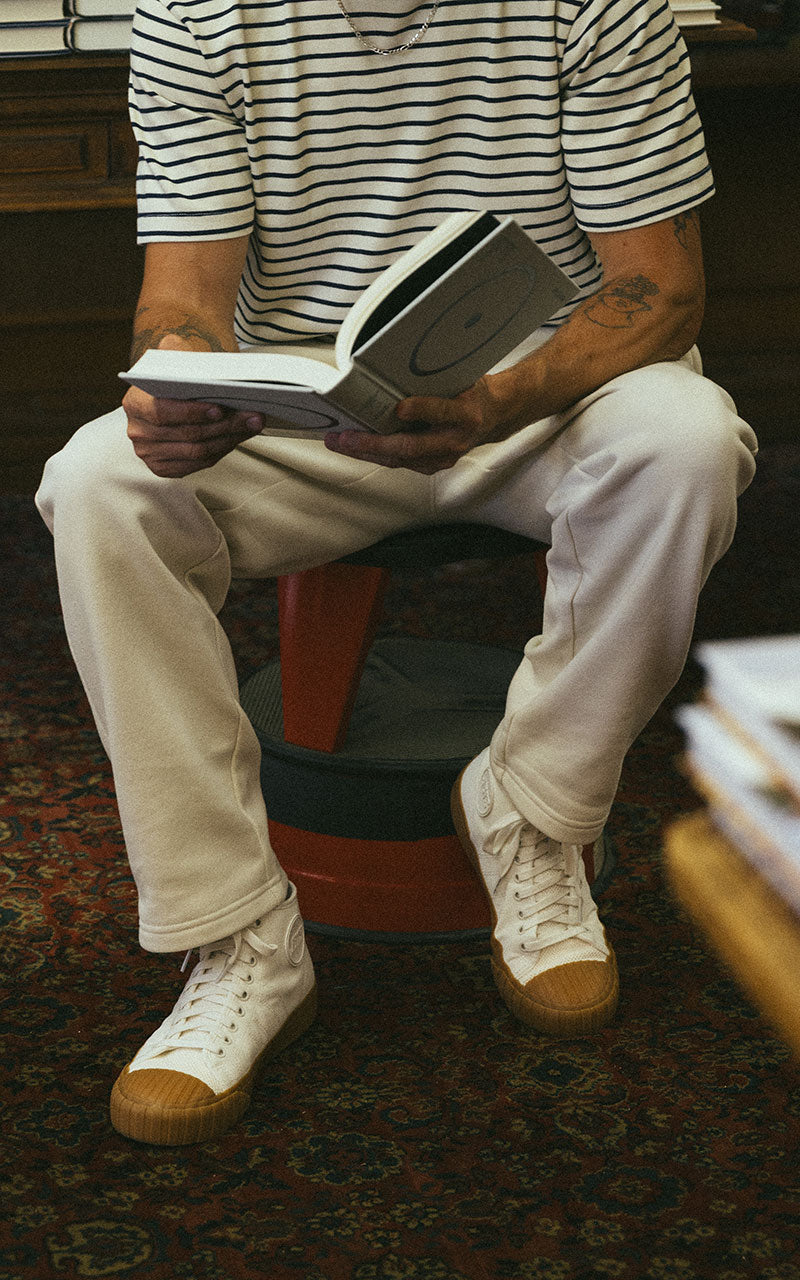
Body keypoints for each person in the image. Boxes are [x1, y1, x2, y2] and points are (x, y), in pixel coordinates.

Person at [36, 0, 758, 1146]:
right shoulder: (193, 14)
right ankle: (238, 938)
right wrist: (177, 380)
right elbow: (183, 294)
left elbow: (656, 288)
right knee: (95, 483)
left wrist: (491, 401)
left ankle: (531, 810)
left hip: (543, 404)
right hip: (307, 419)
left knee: (687, 438)